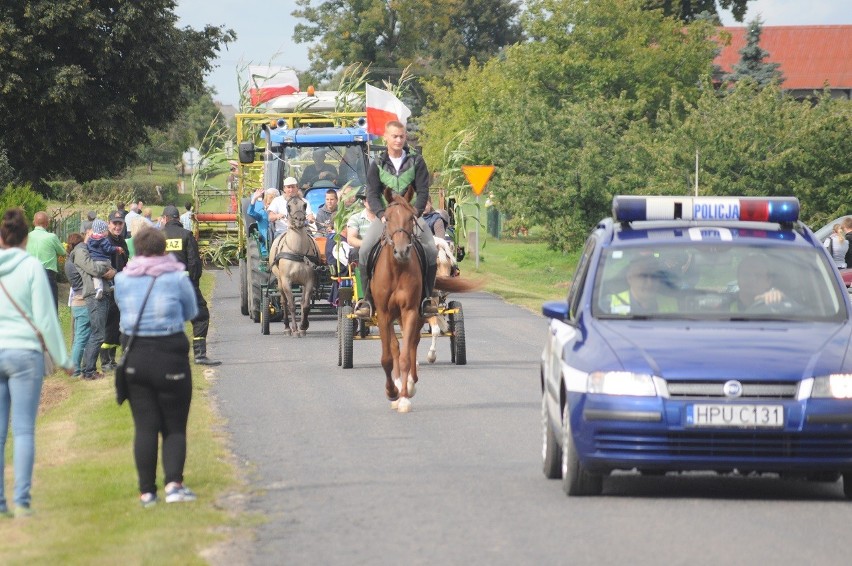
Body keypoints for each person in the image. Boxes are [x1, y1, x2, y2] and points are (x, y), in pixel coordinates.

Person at [114, 227, 199, 507]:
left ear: (136, 250)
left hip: (136, 356)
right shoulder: (176, 277)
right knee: (174, 426)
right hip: (169, 353)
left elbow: (122, 310)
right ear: (165, 249)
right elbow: (191, 312)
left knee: (145, 426)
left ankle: (147, 492)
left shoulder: (124, 279)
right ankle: (174, 485)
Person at [0, 207, 73, 517]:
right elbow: (45, 319)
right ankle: (23, 501)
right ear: (26, 238)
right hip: (25, 353)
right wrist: (62, 358)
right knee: (25, 430)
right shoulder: (31, 267)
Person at [355, 120, 438, 318]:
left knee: (431, 250)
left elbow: (423, 191)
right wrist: (382, 215)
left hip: (411, 217)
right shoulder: (377, 164)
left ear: (405, 137)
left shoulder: (416, 161)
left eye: (401, 136)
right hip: (386, 218)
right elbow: (373, 194)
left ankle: (427, 298)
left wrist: (415, 213)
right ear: (386, 138)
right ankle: (367, 299)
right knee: (365, 250)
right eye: (394, 136)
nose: (398, 140)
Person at [160, 205, 221, 366]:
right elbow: (194, 263)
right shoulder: (186, 235)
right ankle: (200, 355)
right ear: (178, 219)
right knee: (200, 316)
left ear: (165, 219)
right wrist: (194, 283)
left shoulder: (158, 237)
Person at [72, 222, 116, 380]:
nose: (95, 234)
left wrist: (113, 271)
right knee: (97, 334)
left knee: (98, 333)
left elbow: (108, 264)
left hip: (102, 292)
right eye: (91, 231)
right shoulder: (81, 251)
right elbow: (94, 269)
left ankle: (89, 369)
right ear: (86, 231)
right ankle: (88, 371)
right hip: (93, 294)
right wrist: (108, 271)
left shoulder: (91, 248)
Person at [100, 211, 129, 371]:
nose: (118, 226)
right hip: (109, 288)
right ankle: (105, 361)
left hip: (121, 287)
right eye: (115, 223)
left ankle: (111, 359)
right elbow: (103, 268)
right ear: (108, 223)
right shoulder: (105, 241)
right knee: (109, 324)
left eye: (120, 223)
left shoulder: (121, 241)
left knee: (117, 324)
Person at [25, 211, 66, 311]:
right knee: (50, 308)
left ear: (34, 222)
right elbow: (63, 252)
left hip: (30, 274)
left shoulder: (26, 237)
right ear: (47, 224)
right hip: (47, 275)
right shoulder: (51, 237)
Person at [609, 256, 678, 315]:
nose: (650, 283)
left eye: (654, 276)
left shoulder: (671, 303)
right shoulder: (607, 304)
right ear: (629, 278)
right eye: (643, 276)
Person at [64, 232, 91, 377]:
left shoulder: (68, 261)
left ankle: (75, 367)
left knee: (79, 337)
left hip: (76, 301)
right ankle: (75, 370)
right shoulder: (76, 261)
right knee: (81, 337)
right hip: (82, 301)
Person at [87, 219, 125, 300]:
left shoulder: (90, 240)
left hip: (95, 261)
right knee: (109, 269)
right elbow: (108, 249)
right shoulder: (104, 240)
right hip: (105, 260)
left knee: (96, 276)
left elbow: (88, 248)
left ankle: (98, 288)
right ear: (103, 231)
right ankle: (111, 284)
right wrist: (116, 249)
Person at [247, 188, 279, 255]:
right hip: (266, 250)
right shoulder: (262, 214)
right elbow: (250, 212)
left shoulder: (281, 215)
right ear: (265, 203)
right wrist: (254, 198)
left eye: (273, 205)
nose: (270, 207)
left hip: (279, 248)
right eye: (268, 204)